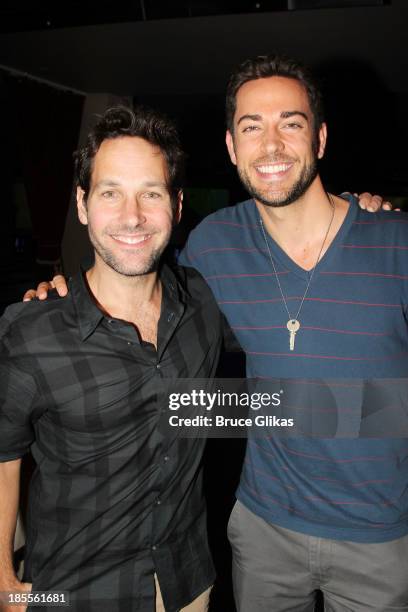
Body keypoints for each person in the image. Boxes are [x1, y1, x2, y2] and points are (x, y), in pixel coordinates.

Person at [178, 55, 408, 611]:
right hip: (263, 532)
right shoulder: (214, 244)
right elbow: (142, 301)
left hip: (382, 539)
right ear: (232, 148)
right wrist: (64, 292)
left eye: (291, 123)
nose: (272, 145)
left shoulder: (395, 243)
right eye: (251, 128)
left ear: (320, 138)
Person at [0, 106, 230, 612]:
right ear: (82, 205)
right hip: (76, 593)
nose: (132, 216)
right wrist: (3, 579)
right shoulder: (31, 330)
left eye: (151, 193)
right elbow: (3, 454)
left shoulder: (204, 304)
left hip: (188, 584)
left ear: (177, 203)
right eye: (110, 193)